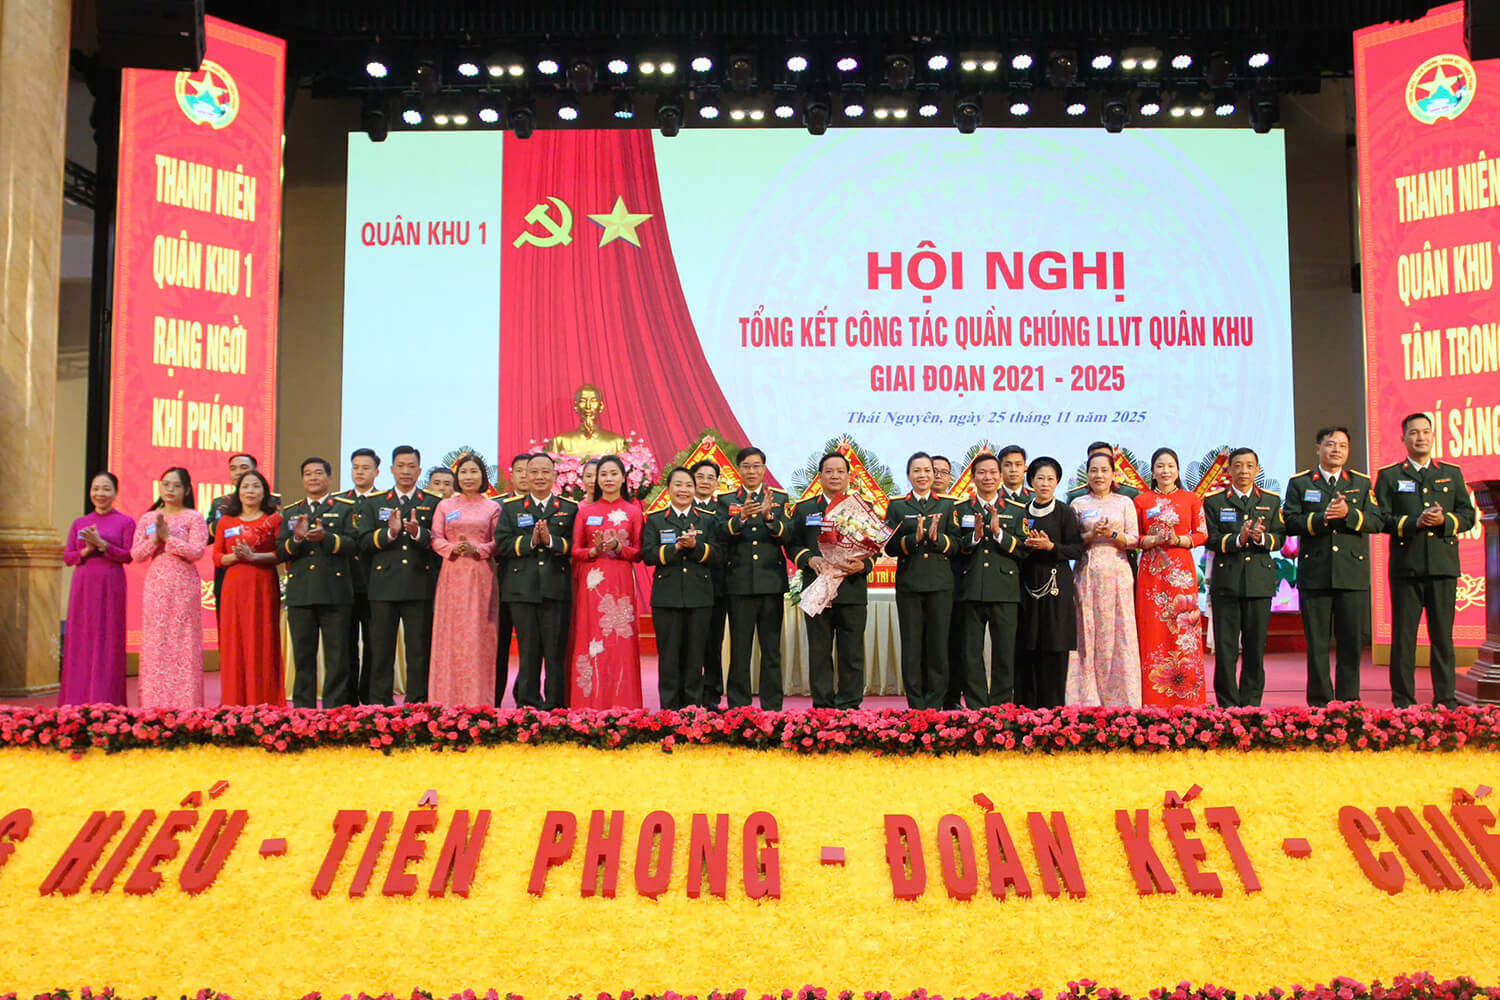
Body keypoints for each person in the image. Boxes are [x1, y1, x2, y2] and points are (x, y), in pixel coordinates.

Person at [1375, 412, 1476, 708]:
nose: (1420, 437)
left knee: (1443, 638)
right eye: (1414, 432)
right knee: (1404, 639)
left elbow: (1468, 516)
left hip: (1443, 567)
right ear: (1403, 438)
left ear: (1433, 436)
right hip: (1406, 567)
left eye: (1426, 432)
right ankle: (1403, 702)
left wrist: (1446, 520)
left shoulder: (1451, 473)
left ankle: (1445, 699)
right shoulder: (1390, 476)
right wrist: (1413, 522)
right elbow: (1380, 519)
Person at [1283, 426, 1383, 705]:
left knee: (1351, 642)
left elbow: (1377, 521)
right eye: (1330, 444)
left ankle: (1348, 701)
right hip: (1315, 573)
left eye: (1342, 445)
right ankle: (1319, 702)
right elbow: (1289, 521)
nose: (1336, 449)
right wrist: (1321, 519)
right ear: (1318, 448)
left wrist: (1350, 514)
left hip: (1351, 574)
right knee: (1317, 643)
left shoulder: (1361, 483)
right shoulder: (1301, 483)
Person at [789, 452, 876, 709]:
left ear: (849, 476)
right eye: (829, 471)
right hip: (817, 589)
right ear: (820, 477)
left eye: (840, 471)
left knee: (852, 653)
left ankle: (850, 704)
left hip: (851, 589)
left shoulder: (862, 507)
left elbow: (875, 548)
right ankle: (823, 705)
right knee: (819, 650)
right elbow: (792, 545)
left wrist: (863, 565)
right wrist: (809, 560)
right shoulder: (805, 508)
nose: (835, 476)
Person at [1203, 448, 1285, 708]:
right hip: (1226, 582)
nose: (1244, 471)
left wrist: (1262, 538)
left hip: (1259, 583)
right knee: (1226, 649)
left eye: (1250, 466)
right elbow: (1211, 539)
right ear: (1229, 469)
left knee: (1255, 648)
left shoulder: (1271, 500)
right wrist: (1238, 539)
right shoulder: (1214, 501)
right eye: (1238, 465)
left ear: (1258, 470)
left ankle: (1250, 703)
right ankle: (1227, 703)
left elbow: (1280, 537)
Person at [359, 445, 440, 705]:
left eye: (411, 466)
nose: (406, 471)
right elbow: (363, 542)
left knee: (418, 649)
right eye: (401, 466)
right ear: (392, 469)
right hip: (383, 586)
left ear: (419, 470)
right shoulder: (375, 502)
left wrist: (418, 533)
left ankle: (417, 702)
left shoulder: (432, 502)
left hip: (419, 585)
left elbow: (438, 541)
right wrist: (389, 534)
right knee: (381, 650)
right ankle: (379, 703)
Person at [496, 452, 577, 709]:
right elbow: (502, 544)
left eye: (545, 472)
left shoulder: (569, 508)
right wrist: (530, 541)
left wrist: (551, 541)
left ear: (554, 476)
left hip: (556, 588)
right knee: (528, 651)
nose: (539, 477)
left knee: (555, 652)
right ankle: (527, 705)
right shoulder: (511, 508)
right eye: (534, 472)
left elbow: (575, 545)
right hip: (521, 590)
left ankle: (555, 706)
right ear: (525, 475)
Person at [277, 457, 359, 708]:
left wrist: (327, 538)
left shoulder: (346, 508)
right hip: (301, 594)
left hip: (335, 594)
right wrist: (296, 540)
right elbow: (280, 551)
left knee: (338, 658)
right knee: (303, 658)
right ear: (302, 479)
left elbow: (354, 545)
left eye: (318, 473)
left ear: (329, 478)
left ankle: (336, 710)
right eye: (308, 473)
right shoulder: (291, 512)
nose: (313, 478)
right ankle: (304, 711)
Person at [568, 455, 644, 708]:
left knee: (619, 641)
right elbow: (575, 550)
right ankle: (588, 705)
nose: (608, 479)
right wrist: (593, 551)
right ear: (597, 480)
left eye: (614, 474)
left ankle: (623, 704)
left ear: (623, 479)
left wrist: (618, 547)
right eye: (604, 474)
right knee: (591, 639)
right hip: (592, 582)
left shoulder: (633, 512)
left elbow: (639, 552)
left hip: (621, 582)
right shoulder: (585, 512)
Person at [952, 453, 1028, 707]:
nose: (988, 477)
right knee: (970, 653)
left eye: (993, 472)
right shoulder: (960, 509)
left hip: (1005, 590)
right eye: (982, 473)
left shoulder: (1017, 510)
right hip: (970, 588)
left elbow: (1024, 549)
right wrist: (974, 537)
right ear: (973, 477)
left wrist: (998, 534)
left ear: (1001, 476)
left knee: (1005, 652)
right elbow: (954, 547)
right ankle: (976, 705)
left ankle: (1000, 706)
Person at [1135, 447, 1209, 706]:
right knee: (1153, 630)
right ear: (1152, 472)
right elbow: (1134, 537)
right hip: (1152, 574)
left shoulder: (1191, 499)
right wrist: (1151, 540)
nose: (1165, 471)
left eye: (1170, 466)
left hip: (1182, 574)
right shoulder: (1141, 501)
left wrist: (1180, 540)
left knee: (1184, 631)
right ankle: (1153, 697)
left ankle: (1188, 698)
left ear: (1177, 471)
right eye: (1160, 466)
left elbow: (1202, 533)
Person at [885, 451, 959, 709]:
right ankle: (916, 704)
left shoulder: (948, 505)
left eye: (928, 470)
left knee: (938, 646)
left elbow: (958, 544)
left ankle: (935, 703)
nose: (923, 475)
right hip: (910, 584)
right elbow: (889, 546)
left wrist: (938, 539)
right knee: (912, 645)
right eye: (917, 470)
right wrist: (911, 540)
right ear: (908, 475)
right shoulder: (897, 506)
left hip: (940, 584)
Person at [130, 467, 209, 709]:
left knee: (183, 641)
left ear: (187, 490)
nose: (170, 489)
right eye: (166, 484)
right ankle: (153, 704)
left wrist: (168, 539)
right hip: (156, 585)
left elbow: (197, 551)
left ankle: (186, 705)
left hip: (184, 584)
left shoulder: (194, 517)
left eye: (176, 485)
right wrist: (156, 540)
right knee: (156, 642)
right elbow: (136, 554)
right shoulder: (148, 518)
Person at [644, 467, 722, 709]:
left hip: (699, 597)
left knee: (695, 657)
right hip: (666, 598)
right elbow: (648, 554)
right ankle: (669, 711)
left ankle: (692, 711)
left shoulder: (707, 520)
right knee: (668, 657)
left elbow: (718, 554)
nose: (683, 490)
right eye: (678, 484)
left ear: (694, 489)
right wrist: (675, 548)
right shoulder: (655, 519)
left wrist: (696, 547)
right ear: (668, 489)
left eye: (688, 485)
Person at [1068, 451, 1141, 707]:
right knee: (1087, 633)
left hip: (1118, 572)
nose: (1099, 475)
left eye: (1104, 470)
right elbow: (1071, 542)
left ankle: (1123, 698)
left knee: (1120, 633)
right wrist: (1090, 535)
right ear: (1087, 474)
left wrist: (1113, 534)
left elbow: (1134, 540)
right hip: (1087, 572)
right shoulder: (1077, 504)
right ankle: (1087, 698)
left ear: (1114, 474)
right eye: (1093, 470)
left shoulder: (1125, 503)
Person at [428, 453, 501, 705]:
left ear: (483, 476)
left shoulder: (492, 507)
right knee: (450, 634)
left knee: (478, 635)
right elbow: (435, 537)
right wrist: (452, 548)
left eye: (474, 471)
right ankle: (445, 699)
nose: (468, 477)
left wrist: (477, 549)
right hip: (452, 573)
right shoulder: (445, 506)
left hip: (480, 575)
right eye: (463, 472)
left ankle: (478, 699)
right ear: (457, 476)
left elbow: (498, 542)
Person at [722, 447, 790, 710]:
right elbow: (719, 534)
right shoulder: (726, 500)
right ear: (738, 469)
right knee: (740, 650)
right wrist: (740, 518)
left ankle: (772, 707)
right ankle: (738, 707)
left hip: (770, 584)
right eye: (746, 466)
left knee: (771, 650)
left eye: (757, 466)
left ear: (764, 469)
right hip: (738, 584)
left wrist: (770, 518)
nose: (751, 471)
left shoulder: (779, 498)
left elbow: (789, 536)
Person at [59, 472, 135, 706]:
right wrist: (86, 550)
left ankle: (106, 700)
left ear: (115, 493)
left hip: (110, 583)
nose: (100, 493)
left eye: (106, 489)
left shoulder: (125, 522)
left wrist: (103, 545)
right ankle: (76, 700)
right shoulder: (79, 522)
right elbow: (68, 557)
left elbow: (128, 555)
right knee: (81, 638)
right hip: (83, 584)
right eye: (96, 489)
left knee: (107, 638)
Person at [212, 469, 284, 705]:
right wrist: (235, 557)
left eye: (256, 486)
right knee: (234, 641)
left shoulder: (273, 519)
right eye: (245, 486)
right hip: (233, 586)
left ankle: (264, 700)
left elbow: (280, 554)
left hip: (262, 584)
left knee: (261, 640)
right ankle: (234, 701)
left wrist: (254, 557)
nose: (250, 491)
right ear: (238, 491)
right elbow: (217, 556)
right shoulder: (226, 521)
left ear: (264, 492)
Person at [1017, 457, 1084, 708]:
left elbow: (1076, 549)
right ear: (1031, 481)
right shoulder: (1022, 511)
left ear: (1057, 482)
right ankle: (1026, 708)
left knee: (1054, 645)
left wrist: (1051, 546)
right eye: (1040, 478)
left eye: (1050, 479)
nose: (1045, 483)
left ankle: (1054, 709)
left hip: (1056, 587)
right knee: (1027, 646)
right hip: (1027, 585)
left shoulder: (1065, 512)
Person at [207, 453, 278, 633]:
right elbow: (208, 537)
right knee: (230, 628)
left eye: (244, 468)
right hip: (227, 575)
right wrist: (224, 524)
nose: (238, 472)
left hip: (261, 576)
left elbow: (278, 548)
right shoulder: (220, 504)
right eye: (233, 468)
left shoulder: (272, 504)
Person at [339, 448, 382, 704]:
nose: (359, 472)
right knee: (345, 643)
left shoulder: (383, 502)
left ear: (377, 472)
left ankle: (370, 695)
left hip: (375, 583)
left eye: (365, 468)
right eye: (355, 467)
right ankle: (347, 698)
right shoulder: (340, 502)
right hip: (344, 582)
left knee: (374, 643)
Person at [691, 458, 731, 708]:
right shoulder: (681, 508)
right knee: (690, 644)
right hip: (687, 587)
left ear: (717, 483)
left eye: (710, 478)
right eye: (700, 476)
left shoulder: (723, 511)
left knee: (713, 644)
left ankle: (712, 696)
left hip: (717, 587)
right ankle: (690, 695)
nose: (705, 482)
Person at [930, 453, 967, 709]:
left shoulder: (959, 507)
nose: (938, 476)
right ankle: (929, 696)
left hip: (955, 583)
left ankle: (952, 697)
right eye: (934, 471)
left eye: (944, 472)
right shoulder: (914, 506)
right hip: (926, 584)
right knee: (930, 642)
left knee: (955, 642)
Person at [496, 452, 532, 703]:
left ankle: (524, 695)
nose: (525, 475)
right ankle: (493, 699)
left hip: (531, 586)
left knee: (530, 646)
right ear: (512, 474)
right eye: (519, 470)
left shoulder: (546, 506)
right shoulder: (497, 506)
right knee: (498, 646)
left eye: (529, 470)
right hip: (500, 583)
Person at [549, 383, 631, 456]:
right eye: (583, 401)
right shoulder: (560, 442)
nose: (588, 406)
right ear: (576, 406)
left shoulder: (618, 442)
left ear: (601, 406)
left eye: (593, 401)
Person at [1066, 442, 1141, 503]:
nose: (1100, 460)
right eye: (1095, 457)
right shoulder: (1076, 496)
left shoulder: (1130, 493)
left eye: (1105, 457)